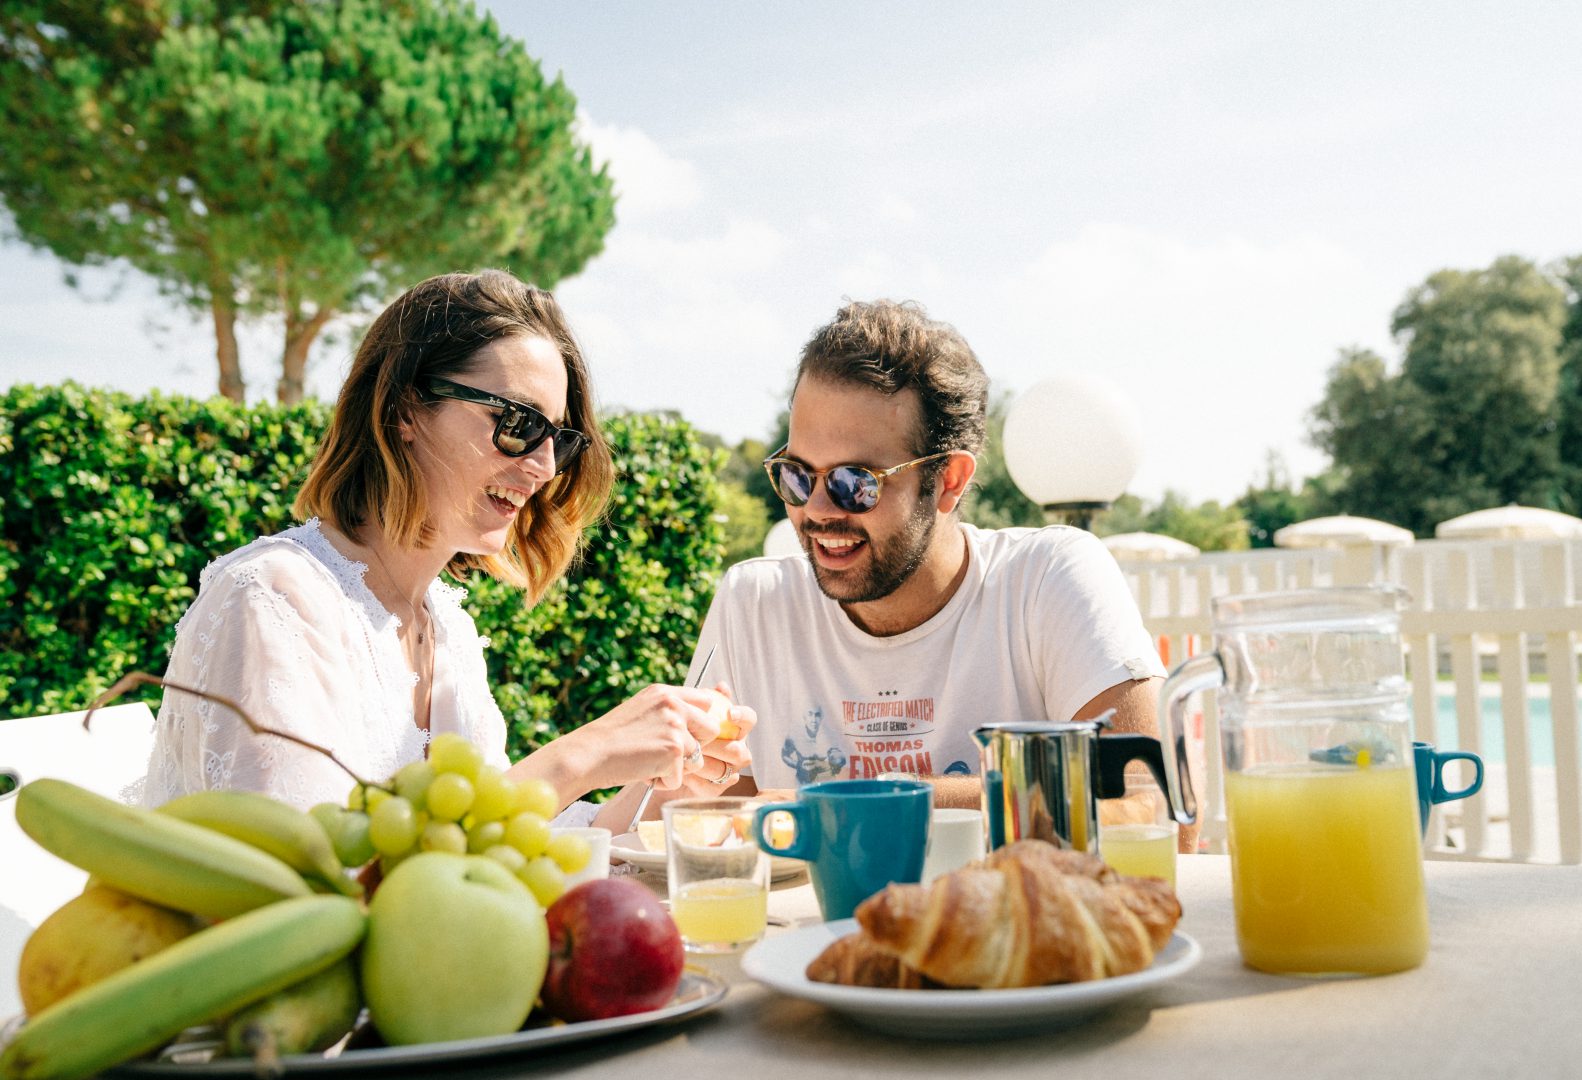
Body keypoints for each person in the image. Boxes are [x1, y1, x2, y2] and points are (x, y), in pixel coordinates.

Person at [140, 269, 752, 832]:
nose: (542, 468)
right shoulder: (274, 601)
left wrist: (663, 786)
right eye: (518, 424)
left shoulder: (446, 626)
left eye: (559, 440)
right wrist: (581, 757)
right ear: (406, 408)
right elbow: (308, 884)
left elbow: (495, 842)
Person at [686, 299, 1180, 835]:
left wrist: (860, 806)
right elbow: (706, 829)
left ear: (949, 481)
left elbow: (1156, 809)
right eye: (798, 476)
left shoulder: (1046, 579)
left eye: (857, 483)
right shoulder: (753, 604)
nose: (818, 510)